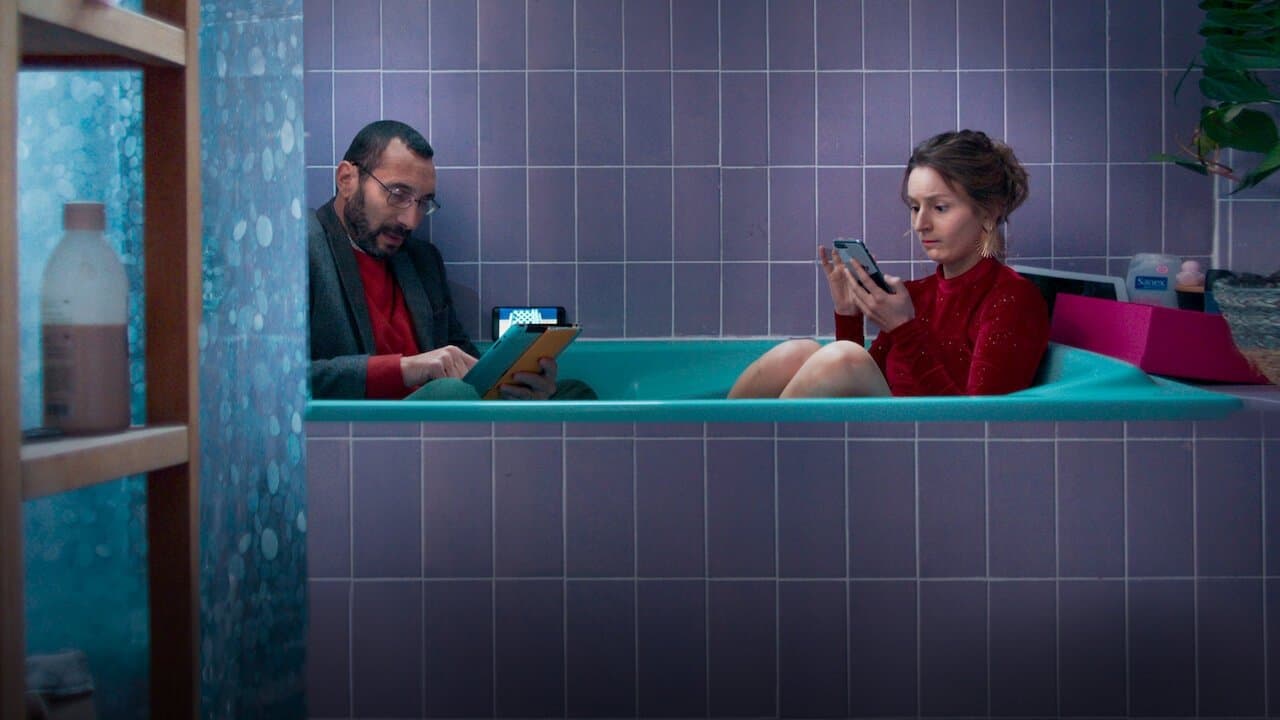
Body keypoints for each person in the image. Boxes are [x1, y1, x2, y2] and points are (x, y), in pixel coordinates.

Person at [728, 129, 1050, 399]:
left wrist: (904, 329)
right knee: (796, 352)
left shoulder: (1012, 300)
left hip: (933, 444)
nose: (921, 224)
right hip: (889, 435)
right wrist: (848, 314)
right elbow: (861, 381)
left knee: (844, 358)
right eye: (915, 207)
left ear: (989, 212)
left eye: (939, 207)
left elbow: (980, 422)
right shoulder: (914, 297)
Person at [310, 119, 585, 400]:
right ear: (347, 180)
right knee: (451, 392)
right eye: (398, 194)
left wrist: (518, 387)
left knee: (575, 394)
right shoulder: (300, 251)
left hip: (446, 413)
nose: (411, 221)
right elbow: (287, 378)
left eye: (423, 202)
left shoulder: (422, 261)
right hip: (373, 420)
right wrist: (403, 369)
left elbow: (466, 363)